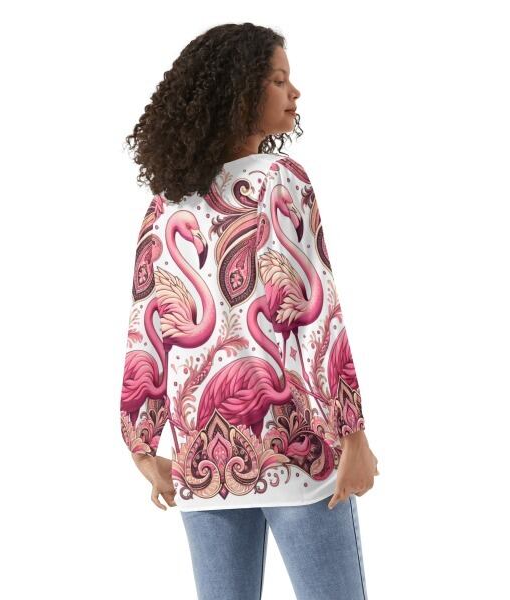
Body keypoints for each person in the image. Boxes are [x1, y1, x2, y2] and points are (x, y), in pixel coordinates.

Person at [120, 22, 379, 599]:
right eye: (279, 80)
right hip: (293, 449)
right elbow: (316, 315)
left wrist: (142, 445)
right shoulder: (281, 180)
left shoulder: (164, 205)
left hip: (201, 461)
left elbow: (146, 331)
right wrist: (353, 436)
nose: (295, 92)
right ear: (239, 92)